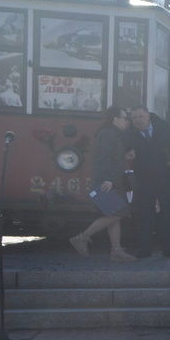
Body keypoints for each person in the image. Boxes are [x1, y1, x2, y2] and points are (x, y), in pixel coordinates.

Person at [70, 106, 137, 262]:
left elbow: (113, 156)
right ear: (115, 119)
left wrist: (125, 155)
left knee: (114, 215)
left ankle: (116, 251)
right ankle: (82, 237)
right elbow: (105, 158)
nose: (127, 120)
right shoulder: (109, 134)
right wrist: (109, 179)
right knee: (117, 214)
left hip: (110, 180)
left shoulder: (113, 133)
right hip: (106, 181)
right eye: (124, 117)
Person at [126, 105, 170, 259]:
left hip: (165, 176)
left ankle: (169, 249)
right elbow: (124, 148)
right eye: (134, 118)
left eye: (140, 117)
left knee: (168, 213)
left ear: (148, 116)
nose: (137, 120)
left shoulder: (164, 127)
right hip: (143, 178)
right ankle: (145, 249)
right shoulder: (130, 133)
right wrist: (128, 153)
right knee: (144, 214)